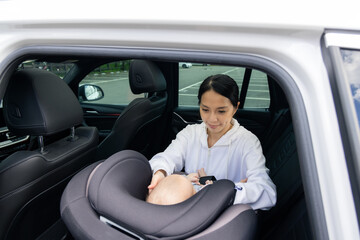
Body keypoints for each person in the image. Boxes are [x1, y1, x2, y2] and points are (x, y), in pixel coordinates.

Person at [148, 74, 276, 210]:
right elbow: (166, 158)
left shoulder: (247, 142)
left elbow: (266, 191)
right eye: (205, 110)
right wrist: (160, 173)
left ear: (235, 108)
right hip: (188, 208)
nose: (212, 119)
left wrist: (225, 191)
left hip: (222, 214)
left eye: (221, 111)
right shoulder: (191, 133)